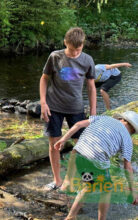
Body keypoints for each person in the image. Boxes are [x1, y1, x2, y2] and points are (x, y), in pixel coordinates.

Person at [39, 27, 97, 190]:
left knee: (82, 145)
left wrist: (93, 111)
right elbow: (44, 79)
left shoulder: (87, 60)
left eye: (78, 50)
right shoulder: (55, 56)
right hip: (53, 107)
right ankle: (57, 180)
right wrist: (43, 103)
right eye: (71, 49)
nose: (74, 53)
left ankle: (87, 179)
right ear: (65, 43)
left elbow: (91, 87)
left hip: (76, 108)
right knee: (54, 144)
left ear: (83, 45)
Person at [54, 111, 138, 220]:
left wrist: (63, 139)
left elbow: (78, 124)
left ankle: (71, 216)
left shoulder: (103, 118)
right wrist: (132, 191)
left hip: (78, 153)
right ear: (133, 130)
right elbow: (127, 166)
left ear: (121, 119)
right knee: (107, 190)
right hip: (95, 159)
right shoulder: (127, 138)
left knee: (88, 186)